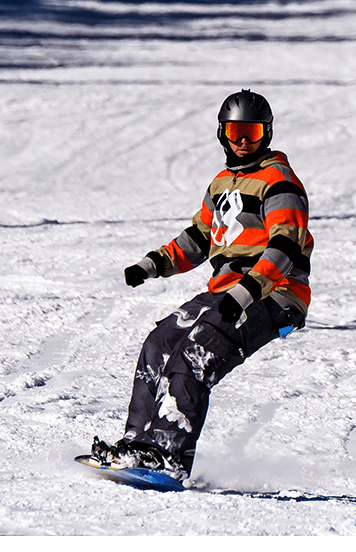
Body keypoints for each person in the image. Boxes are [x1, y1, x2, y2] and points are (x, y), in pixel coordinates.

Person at [90, 89, 313, 482]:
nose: (244, 141)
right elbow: (199, 238)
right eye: (236, 131)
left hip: (274, 294)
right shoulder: (222, 183)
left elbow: (285, 246)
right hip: (226, 293)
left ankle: (171, 456)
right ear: (222, 134)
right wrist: (152, 264)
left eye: (253, 132)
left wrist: (246, 293)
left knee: (196, 352)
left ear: (268, 134)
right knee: (159, 343)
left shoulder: (279, 182)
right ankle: (138, 445)